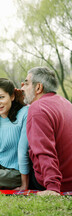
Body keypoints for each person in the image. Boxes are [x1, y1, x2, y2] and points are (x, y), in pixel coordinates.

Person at [21, 66, 72, 195]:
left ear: (38, 87)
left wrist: (52, 188)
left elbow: (44, 151)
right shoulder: (66, 103)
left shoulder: (37, 109)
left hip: (56, 182)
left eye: (26, 83)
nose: (22, 88)